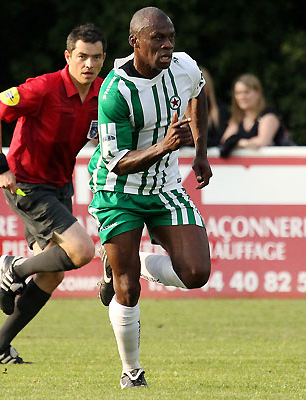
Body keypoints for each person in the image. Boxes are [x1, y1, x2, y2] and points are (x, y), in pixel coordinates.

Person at [87, 7, 212, 388]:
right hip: (118, 191)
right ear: (135, 42)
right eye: (158, 38)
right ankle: (132, 371)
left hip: (165, 187)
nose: (167, 44)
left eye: (170, 36)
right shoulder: (114, 91)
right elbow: (118, 163)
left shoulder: (183, 67)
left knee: (196, 273)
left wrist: (201, 152)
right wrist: (167, 145)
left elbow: (199, 94)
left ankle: (134, 261)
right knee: (127, 287)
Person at [0, 24, 105, 364]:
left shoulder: (102, 95)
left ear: (104, 59)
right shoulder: (44, 88)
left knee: (51, 274)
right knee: (81, 251)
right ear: (68, 57)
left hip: (60, 185)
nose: (88, 65)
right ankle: (15, 268)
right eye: (82, 57)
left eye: (96, 58)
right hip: (27, 183)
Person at [218, 73, 290, 158]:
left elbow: (262, 142)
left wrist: (236, 142)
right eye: (238, 93)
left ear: (258, 93)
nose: (242, 97)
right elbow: (225, 141)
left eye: (247, 92)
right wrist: (240, 143)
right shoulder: (238, 119)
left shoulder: (269, 116)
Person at [200, 67, 228, 147]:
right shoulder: (180, 111)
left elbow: (222, 140)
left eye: (201, 85)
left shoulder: (220, 109)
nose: (198, 90)